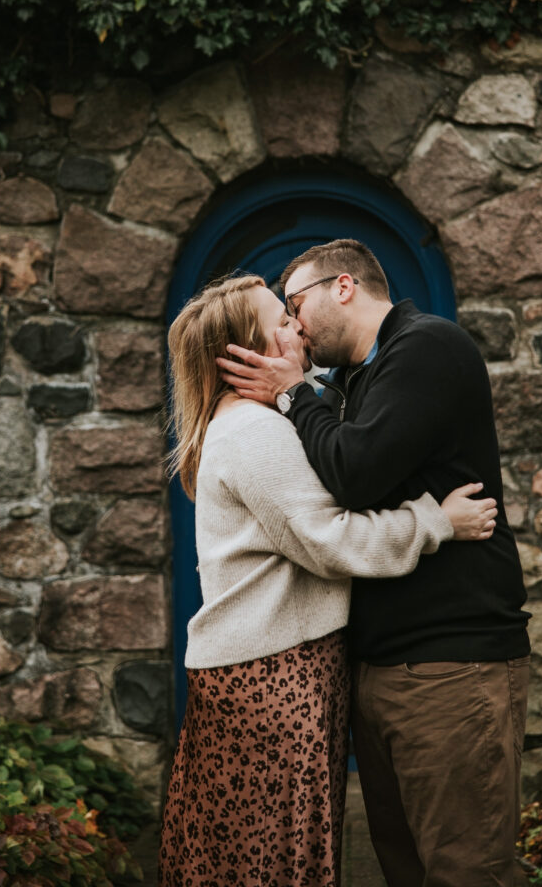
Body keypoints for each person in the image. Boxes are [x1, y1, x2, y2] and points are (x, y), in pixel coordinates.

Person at [159, 273, 498, 887]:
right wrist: (435, 519)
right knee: (273, 860)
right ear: (246, 354)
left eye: (294, 313)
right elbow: (330, 539)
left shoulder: (249, 422)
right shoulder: (254, 433)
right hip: (274, 677)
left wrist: (295, 390)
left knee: (252, 854)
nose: (298, 328)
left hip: (266, 669)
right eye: (280, 321)